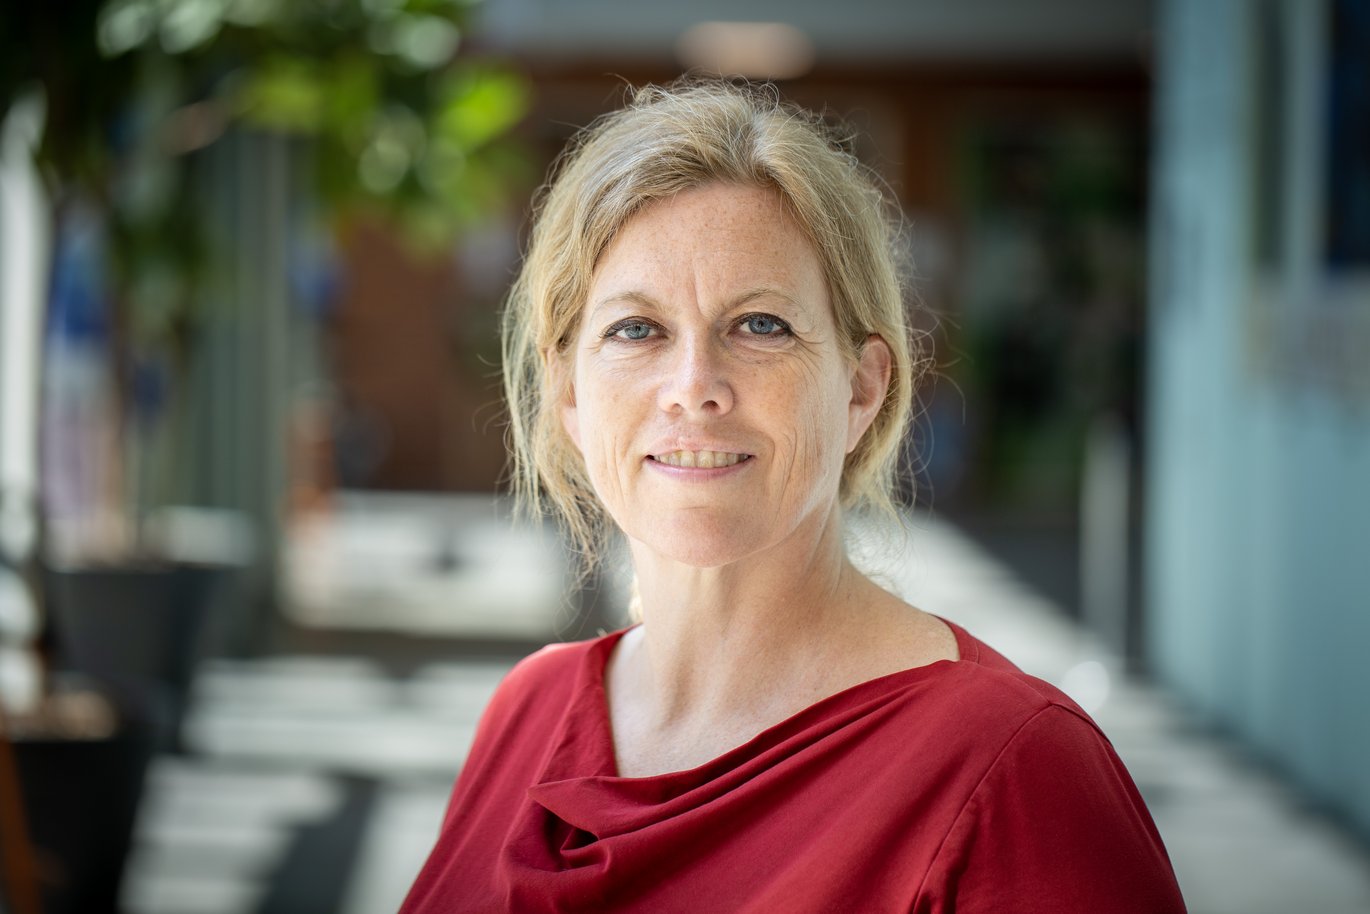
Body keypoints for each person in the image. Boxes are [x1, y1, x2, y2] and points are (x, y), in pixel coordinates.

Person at [400, 80, 1186, 913]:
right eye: (636, 329)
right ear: (567, 393)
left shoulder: (1012, 769)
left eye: (760, 325)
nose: (694, 386)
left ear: (861, 389)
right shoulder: (528, 708)